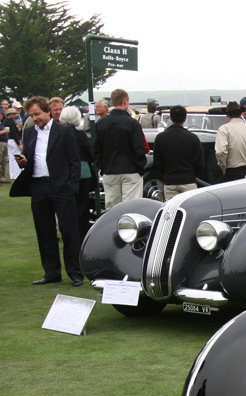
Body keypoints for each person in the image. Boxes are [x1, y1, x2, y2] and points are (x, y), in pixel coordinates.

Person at [10, 96, 82, 286]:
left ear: (47, 111)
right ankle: (51, 272)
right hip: (38, 186)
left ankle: (75, 272)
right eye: (31, 115)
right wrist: (24, 161)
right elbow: (30, 155)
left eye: (37, 114)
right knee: (44, 231)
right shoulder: (29, 132)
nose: (35, 118)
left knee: (69, 232)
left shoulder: (64, 131)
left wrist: (71, 185)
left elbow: (75, 160)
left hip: (61, 186)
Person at [94, 88, 147, 208]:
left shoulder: (101, 124)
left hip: (110, 169)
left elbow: (97, 148)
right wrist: (140, 167)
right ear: (125, 101)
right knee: (131, 206)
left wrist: (102, 167)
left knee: (112, 207)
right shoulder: (132, 123)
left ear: (112, 102)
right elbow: (139, 148)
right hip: (131, 170)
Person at [58, 106, 97, 238]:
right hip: (82, 172)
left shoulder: (58, 134)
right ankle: (81, 231)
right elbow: (89, 154)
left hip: (64, 172)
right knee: (82, 204)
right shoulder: (80, 135)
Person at [153, 105, 203, 199]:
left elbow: (157, 162)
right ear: (185, 118)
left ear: (170, 118)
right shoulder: (193, 138)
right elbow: (199, 163)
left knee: (172, 210)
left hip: (170, 180)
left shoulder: (160, 138)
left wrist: (166, 174)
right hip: (188, 180)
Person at [214, 101, 246, 182]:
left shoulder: (224, 129)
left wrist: (223, 167)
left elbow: (220, 151)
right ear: (240, 114)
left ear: (227, 115)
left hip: (231, 172)